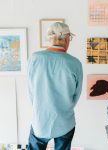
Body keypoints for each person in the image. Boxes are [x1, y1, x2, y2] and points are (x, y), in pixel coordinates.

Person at [27, 22, 83, 150]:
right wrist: (64, 107)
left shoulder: (35, 58)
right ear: (67, 37)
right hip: (65, 121)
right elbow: (76, 95)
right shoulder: (74, 63)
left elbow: (31, 91)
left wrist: (39, 107)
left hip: (40, 120)